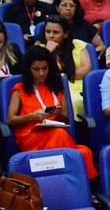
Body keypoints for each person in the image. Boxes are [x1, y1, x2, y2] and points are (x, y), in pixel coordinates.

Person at [6, 46, 98, 179]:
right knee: (74, 148)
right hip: (30, 135)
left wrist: (59, 114)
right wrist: (31, 116)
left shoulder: (58, 86)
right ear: (28, 70)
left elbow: (66, 119)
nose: (42, 73)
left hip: (55, 132)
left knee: (85, 151)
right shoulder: (19, 89)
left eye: (45, 68)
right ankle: (86, 185)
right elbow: (10, 119)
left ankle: (79, 184)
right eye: (36, 69)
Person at [36, 15, 91, 117]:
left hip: (79, 86)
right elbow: (39, 74)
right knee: (69, 100)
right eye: (48, 32)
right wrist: (48, 52)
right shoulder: (40, 50)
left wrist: (62, 75)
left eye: (56, 32)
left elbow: (86, 69)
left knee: (80, 99)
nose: (51, 36)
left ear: (65, 34)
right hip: (53, 88)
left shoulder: (77, 45)